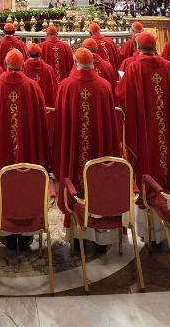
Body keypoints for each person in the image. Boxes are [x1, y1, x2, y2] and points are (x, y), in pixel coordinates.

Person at [52, 47, 120, 251]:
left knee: (76, 177)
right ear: (93, 63)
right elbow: (111, 126)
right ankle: (101, 238)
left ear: (75, 63)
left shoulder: (66, 86)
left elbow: (61, 126)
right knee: (99, 180)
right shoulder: (105, 86)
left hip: (75, 151)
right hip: (100, 148)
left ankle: (77, 235)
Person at [0, 50, 48, 249]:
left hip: (2, 151)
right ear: (22, 65)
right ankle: (27, 231)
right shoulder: (33, 87)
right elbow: (42, 123)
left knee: (2, 178)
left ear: (5, 64)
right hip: (28, 150)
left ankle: (6, 230)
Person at [118, 32, 170, 199]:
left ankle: (148, 198)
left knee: (149, 154)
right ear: (155, 48)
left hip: (145, 126)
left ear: (138, 48)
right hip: (168, 125)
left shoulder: (134, 68)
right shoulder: (169, 67)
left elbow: (123, 97)